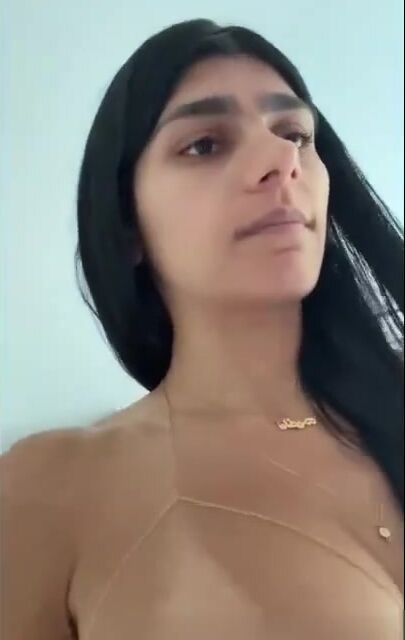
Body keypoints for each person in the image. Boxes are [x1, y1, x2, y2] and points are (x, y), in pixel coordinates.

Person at [1, 18, 404, 639]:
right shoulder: (53, 488)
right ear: (127, 226)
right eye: (205, 145)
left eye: (295, 134)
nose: (282, 159)